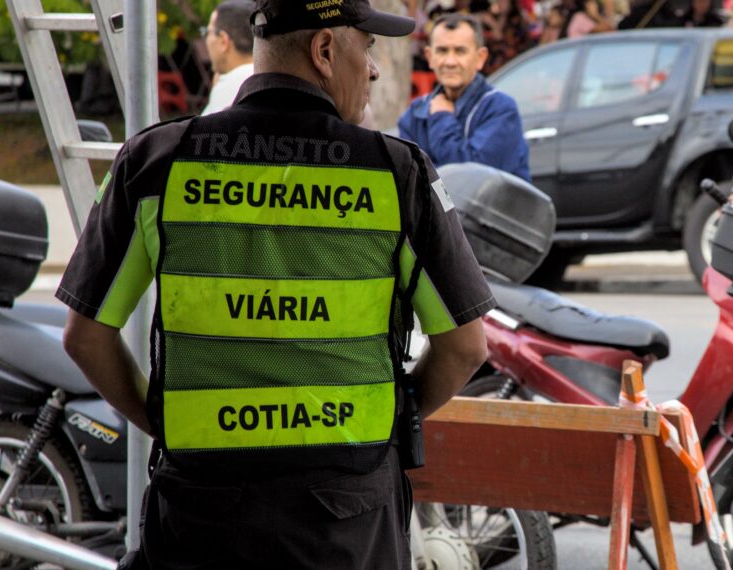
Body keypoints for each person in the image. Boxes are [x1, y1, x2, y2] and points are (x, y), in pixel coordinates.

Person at [58, 0, 494, 568]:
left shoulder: (156, 162)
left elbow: (84, 335)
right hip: (347, 521)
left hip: (200, 514)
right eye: (367, 49)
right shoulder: (396, 173)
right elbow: (467, 346)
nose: (374, 69)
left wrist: (165, 417)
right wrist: (389, 419)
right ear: (324, 50)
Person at [398, 14, 531, 180]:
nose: (450, 61)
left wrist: (441, 117)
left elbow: (469, 181)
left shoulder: (500, 109)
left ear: (480, 58)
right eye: (442, 51)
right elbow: (408, 179)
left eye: (460, 51)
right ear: (429, 57)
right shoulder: (415, 113)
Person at [200, 0, 255, 115]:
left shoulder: (229, 86)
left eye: (208, 32)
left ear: (223, 41)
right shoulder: (268, 77)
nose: (207, 40)